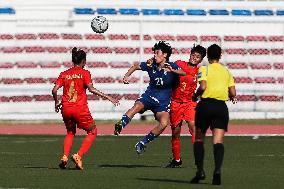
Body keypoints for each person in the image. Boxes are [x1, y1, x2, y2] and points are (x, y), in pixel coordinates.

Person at [52, 47, 119, 170]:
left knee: (70, 132)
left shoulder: (64, 74)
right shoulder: (85, 73)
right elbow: (91, 89)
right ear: (83, 61)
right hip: (79, 108)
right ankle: (78, 155)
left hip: (66, 108)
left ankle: (65, 157)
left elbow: (54, 90)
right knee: (93, 131)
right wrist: (109, 97)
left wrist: (57, 102)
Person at [114, 41, 186, 154]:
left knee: (164, 123)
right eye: (154, 53)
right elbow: (135, 66)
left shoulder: (171, 66)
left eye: (158, 53)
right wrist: (126, 76)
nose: (155, 55)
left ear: (165, 55)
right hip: (149, 96)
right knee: (137, 106)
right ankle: (121, 124)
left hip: (162, 103)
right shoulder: (150, 64)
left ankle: (142, 143)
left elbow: (183, 73)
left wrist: (173, 70)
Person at [190, 44, 237, 185]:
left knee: (199, 139)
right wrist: (230, 95)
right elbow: (233, 93)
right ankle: (217, 171)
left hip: (205, 106)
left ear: (207, 56)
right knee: (218, 141)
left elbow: (203, 86)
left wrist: (195, 95)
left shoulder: (204, 68)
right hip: (221, 108)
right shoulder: (226, 72)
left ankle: (200, 171)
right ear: (220, 55)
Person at [166, 45, 206, 168]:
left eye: (197, 57)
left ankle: (198, 158)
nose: (194, 58)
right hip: (176, 103)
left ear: (200, 60)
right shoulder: (179, 64)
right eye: (193, 55)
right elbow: (167, 67)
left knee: (193, 127)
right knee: (176, 131)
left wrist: (200, 95)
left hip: (190, 103)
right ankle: (177, 160)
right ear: (190, 55)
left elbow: (203, 85)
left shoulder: (200, 71)